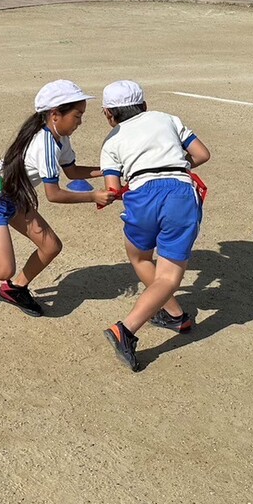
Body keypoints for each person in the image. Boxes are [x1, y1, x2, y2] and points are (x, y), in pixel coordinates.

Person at [0, 80, 114, 316]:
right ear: (55, 114)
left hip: (17, 195)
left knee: (51, 246)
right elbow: (53, 194)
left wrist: (108, 170)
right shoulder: (44, 143)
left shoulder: (59, 136)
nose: (80, 122)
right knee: (3, 269)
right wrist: (93, 196)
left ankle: (15, 289)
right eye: (77, 115)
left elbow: (72, 171)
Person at [98, 80, 211, 372]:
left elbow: (112, 188)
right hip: (179, 193)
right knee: (169, 277)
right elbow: (202, 154)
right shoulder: (166, 119)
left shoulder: (111, 141)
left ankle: (172, 315)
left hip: (141, 196)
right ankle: (130, 327)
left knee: (139, 256)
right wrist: (176, 165)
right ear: (144, 105)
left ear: (109, 114)